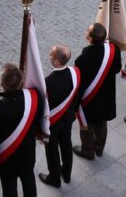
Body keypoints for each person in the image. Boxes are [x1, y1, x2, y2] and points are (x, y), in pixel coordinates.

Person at [0, 63, 42, 197]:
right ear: (21, 82)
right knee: (29, 181)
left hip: (7, 158)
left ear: (2, 85)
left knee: (9, 188)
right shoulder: (34, 98)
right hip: (27, 153)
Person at [73, 23, 122, 160]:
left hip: (91, 99)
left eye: (87, 31)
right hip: (106, 95)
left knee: (87, 126)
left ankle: (87, 151)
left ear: (89, 39)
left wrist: (75, 105)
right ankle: (99, 147)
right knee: (102, 122)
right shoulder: (114, 50)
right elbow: (117, 68)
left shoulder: (82, 60)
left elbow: (79, 85)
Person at [39, 45, 80, 188]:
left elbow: (43, 107)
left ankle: (54, 178)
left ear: (56, 61)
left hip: (53, 123)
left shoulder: (47, 83)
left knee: (52, 150)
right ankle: (66, 174)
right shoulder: (74, 73)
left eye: (51, 56)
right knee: (66, 144)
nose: (49, 57)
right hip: (67, 118)